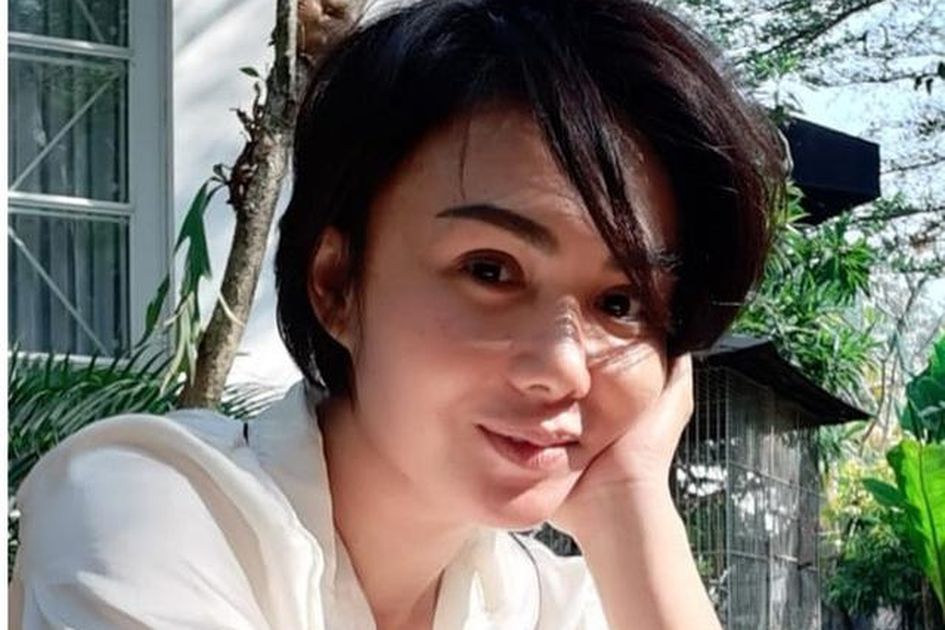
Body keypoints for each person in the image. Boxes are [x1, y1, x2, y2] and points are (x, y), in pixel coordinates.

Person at [9, 0, 786, 628]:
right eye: (490, 270)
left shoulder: (562, 606)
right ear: (336, 284)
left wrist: (628, 508)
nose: (562, 367)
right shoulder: (152, 512)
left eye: (620, 303)